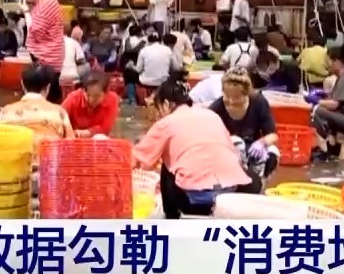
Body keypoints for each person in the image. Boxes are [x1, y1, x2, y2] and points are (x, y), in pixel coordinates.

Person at [133, 80, 255, 218]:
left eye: (159, 109)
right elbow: (232, 150)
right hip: (231, 191)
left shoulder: (165, 124)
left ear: (166, 104)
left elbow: (137, 160)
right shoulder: (212, 116)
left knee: (168, 168)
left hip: (194, 197)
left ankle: (171, 218)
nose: (159, 114)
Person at [208, 69, 280, 190]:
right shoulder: (216, 109)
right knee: (237, 142)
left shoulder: (259, 103)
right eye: (227, 96)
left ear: (246, 94)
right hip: (228, 155)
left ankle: (260, 181)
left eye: (236, 97)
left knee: (273, 152)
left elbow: (273, 135)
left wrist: (262, 142)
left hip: (253, 152)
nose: (231, 101)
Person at [0, 64, 75, 150]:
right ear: (48, 87)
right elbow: (70, 145)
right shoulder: (59, 113)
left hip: (15, 158)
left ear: (22, 84)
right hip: (49, 158)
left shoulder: (6, 112)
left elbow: (0, 145)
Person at [23, 0, 65, 104]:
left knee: (47, 100)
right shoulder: (43, 1)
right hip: (46, 57)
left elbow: (35, 32)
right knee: (49, 98)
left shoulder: (46, 3)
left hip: (47, 59)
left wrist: (26, 12)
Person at [62, 70, 120, 137]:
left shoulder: (112, 99)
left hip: (96, 138)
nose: (91, 100)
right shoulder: (73, 98)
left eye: (96, 96)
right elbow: (59, 117)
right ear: (83, 90)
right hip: (73, 138)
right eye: (88, 95)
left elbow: (105, 128)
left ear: (106, 93)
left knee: (100, 137)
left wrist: (79, 133)